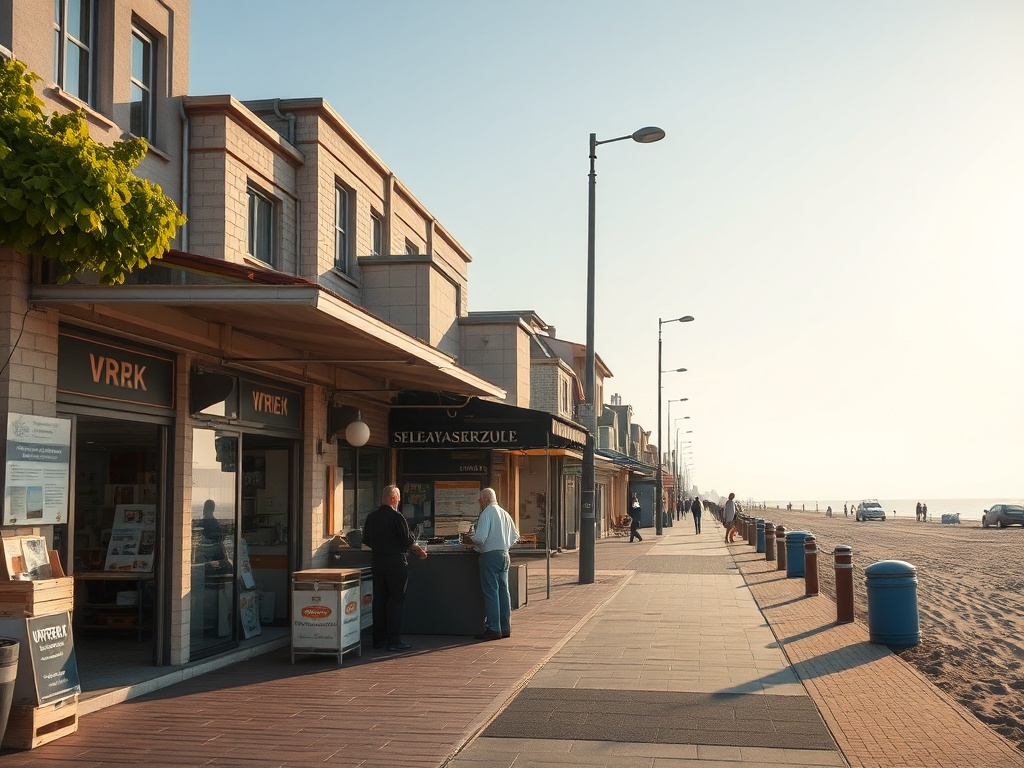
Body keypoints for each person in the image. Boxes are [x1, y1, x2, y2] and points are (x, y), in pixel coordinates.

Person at [362, 485, 427, 652]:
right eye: (397, 498)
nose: (398, 501)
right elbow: (407, 541)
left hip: (377, 561)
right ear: (392, 498)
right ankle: (394, 640)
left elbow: (366, 540)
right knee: (396, 600)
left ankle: (378, 640)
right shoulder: (397, 517)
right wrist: (417, 550)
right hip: (396, 562)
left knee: (379, 600)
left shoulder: (371, 517)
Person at [469, 488, 519, 641]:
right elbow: (515, 535)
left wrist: (470, 539)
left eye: (480, 500)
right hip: (504, 554)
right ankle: (505, 627)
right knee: (504, 592)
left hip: (489, 555)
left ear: (485, 499)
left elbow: (481, 537)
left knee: (491, 591)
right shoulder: (504, 513)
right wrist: (504, 544)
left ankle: (493, 627)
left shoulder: (486, 513)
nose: (480, 503)